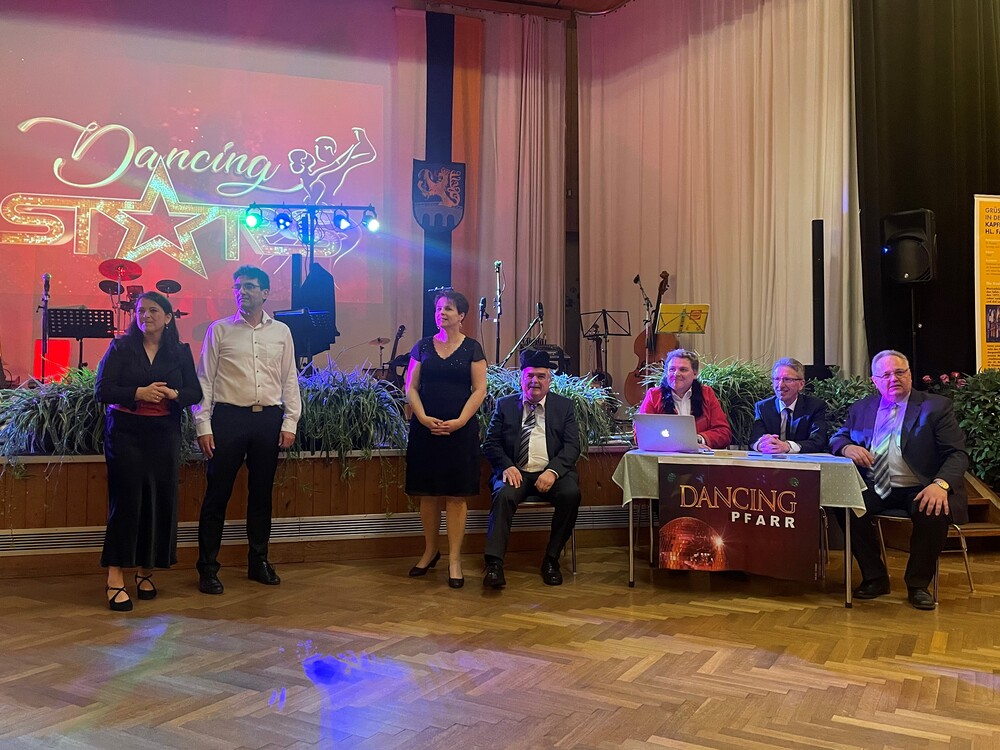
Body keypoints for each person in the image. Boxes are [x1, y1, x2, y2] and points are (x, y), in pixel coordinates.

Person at [830, 349, 968, 611]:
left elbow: (957, 454)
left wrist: (940, 485)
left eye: (900, 372)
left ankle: (918, 585)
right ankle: (875, 577)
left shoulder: (935, 407)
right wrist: (846, 447)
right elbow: (839, 436)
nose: (894, 379)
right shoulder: (862, 408)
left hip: (921, 486)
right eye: (886, 375)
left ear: (910, 375)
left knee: (933, 511)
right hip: (876, 485)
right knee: (845, 505)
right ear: (875, 381)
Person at [193, 265, 301, 595]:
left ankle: (258, 561)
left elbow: (289, 378)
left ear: (265, 293)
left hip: (267, 421)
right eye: (238, 286)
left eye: (251, 286)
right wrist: (203, 425)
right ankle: (208, 568)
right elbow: (204, 380)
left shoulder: (281, 332)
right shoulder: (219, 330)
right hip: (228, 420)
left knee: (261, 495)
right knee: (217, 495)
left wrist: (290, 421)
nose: (243, 292)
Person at [95, 291, 202, 611]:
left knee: (158, 501)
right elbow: (103, 390)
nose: (146, 316)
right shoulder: (120, 347)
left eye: (154, 310)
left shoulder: (180, 351)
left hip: (164, 434)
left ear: (168, 318)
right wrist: (138, 392)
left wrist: (174, 394)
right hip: (126, 433)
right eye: (141, 311)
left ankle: (145, 571)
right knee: (126, 502)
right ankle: (115, 577)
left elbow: (194, 392)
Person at [404, 290, 488, 589]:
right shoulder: (422, 346)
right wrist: (423, 417)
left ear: (461, 315)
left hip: (460, 431)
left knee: (455, 496)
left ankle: (454, 559)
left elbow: (480, 390)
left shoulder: (473, 348)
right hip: (426, 429)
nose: (442, 313)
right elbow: (411, 387)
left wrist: (461, 421)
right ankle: (430, 551)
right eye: (439, 308)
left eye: (448, 309)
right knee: (428, 494)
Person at [482, 349, 582, 589]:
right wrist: (507, 465)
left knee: (571, 494)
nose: (534, 381)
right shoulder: (505, 405)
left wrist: (553, 471)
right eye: (529, 375)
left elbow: (572, 446)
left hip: (551, 473)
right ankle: (494, 564)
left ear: (549, 380)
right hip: (516, 472)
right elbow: (490, 443)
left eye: (540, 376)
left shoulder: (564, 407)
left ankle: (551, 560)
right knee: (503, 495)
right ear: (521, 378)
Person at [637, 348, 732, 449]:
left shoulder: (707, 394)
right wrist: (678, 444)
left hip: (699, 457)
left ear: (695, 374)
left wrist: (698, 439)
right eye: (672, 369)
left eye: (683, 370)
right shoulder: (654, 395)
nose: (676, 374)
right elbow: (641, 434)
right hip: (664, 456)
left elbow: (724, 433)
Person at [749, 357, 828, 453]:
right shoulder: (763, 407)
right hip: (770, 459)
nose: (780, 385)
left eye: (787, 379)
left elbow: (818, 442)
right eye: (777, 379)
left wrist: (787, 446)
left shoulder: (815, 406)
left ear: (801, 384)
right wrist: (761, 445)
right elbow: (754, 440)